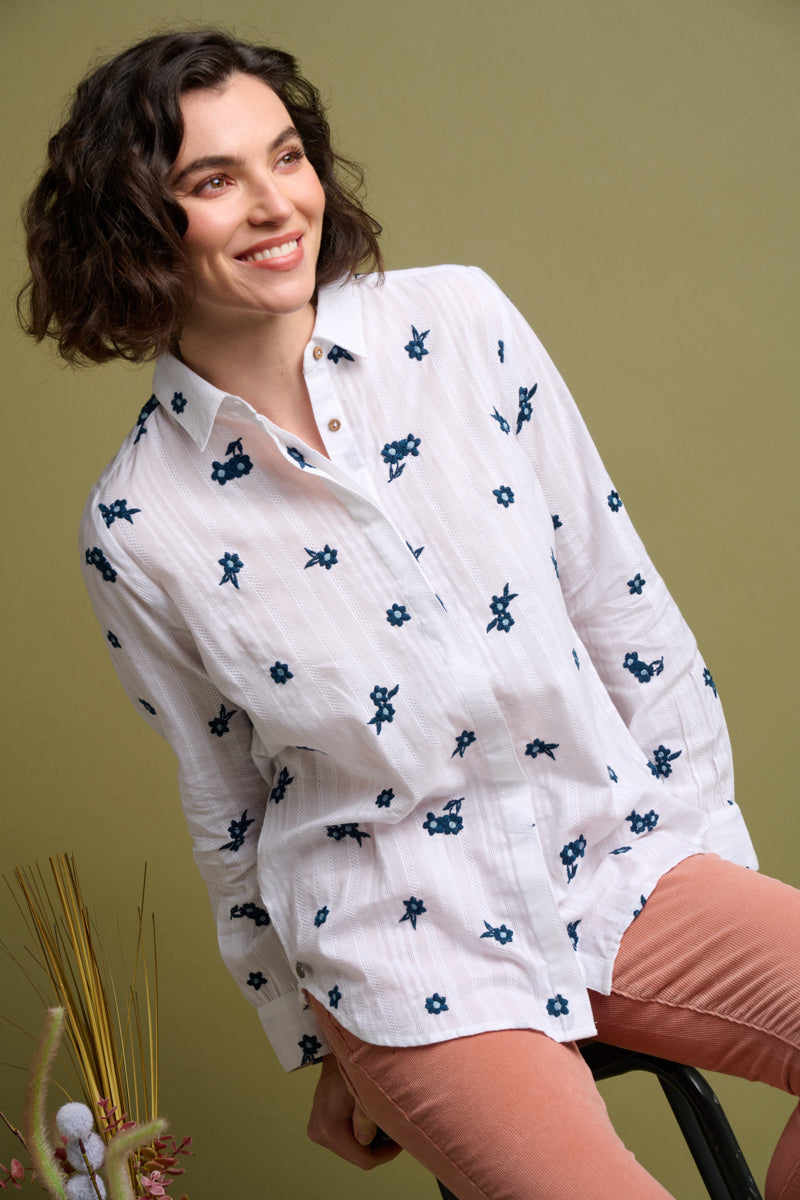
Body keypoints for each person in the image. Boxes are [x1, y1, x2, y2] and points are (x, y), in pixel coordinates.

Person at [20, 29, 800, 1200]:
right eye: (214, 179)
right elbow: (225, 803)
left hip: (616, 863)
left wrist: (703, 863)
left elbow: (618, 602)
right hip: (400, 951)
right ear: (131, 227)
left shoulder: (461, 325)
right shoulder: (139, 525)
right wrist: (322, 1040)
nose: (276, 204)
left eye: (287, 157)